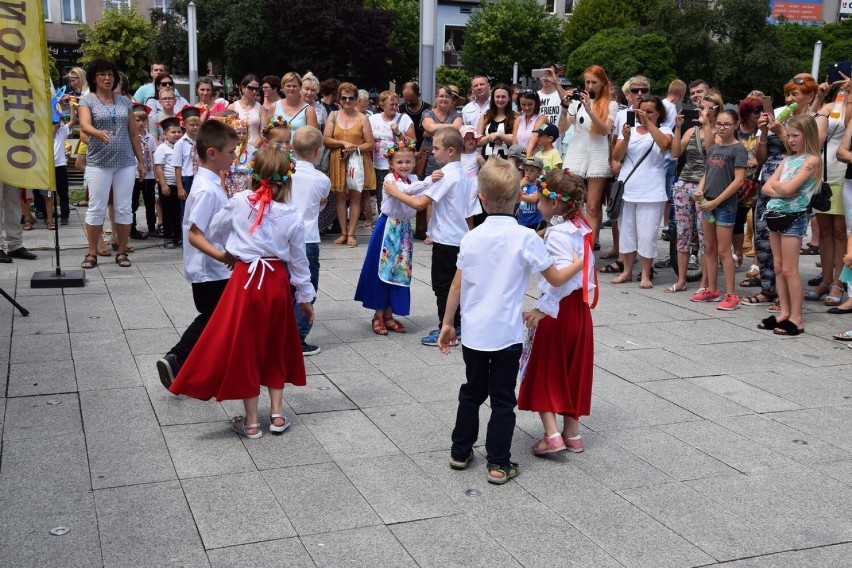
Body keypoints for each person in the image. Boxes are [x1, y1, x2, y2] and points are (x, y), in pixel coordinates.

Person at [435, 158, 579, 484]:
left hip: (473, 332)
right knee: (503, 399)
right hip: (507, 334)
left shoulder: (470, 237)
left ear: (481, 198)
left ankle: (460, 451)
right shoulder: (526, 237)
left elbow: (456, 284)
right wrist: (578, 264)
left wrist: (447, 323)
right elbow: (556, 278)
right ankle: (499, 463)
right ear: (518, 198)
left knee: (471, 391)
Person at [168, 146, 314, 439]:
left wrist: (233, 249)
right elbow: (299, 261)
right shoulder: (292, 215)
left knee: (247, 349)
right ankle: (276, 414)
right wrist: (305, 297)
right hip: (275, 282)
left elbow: (213, 231)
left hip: (245, 281)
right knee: (275, 346)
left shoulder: (237, 203)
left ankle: (250, 422)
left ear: (252, 176)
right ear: (286, 181)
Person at [156, 120, 239, 388]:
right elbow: (194, 234)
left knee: (216, 319)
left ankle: (190, 365)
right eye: (230, 151)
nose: (234, 155)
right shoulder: (206, 189)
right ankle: (178, 359)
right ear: (212, 153)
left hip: (212, 267)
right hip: (210, 269)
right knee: (213, 318)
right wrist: (223, 257)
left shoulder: (210, 183)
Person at [518, 169, 596, 455]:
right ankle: (572, 433)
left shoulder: (557, 234)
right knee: (573, 366)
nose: (537, 202)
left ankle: (552, 435)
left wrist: (542, 309)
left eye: (540, 198)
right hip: (579, 310)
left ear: (553, 204)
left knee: (545, 369)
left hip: (558, 310)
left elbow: (560, 279)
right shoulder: (582, 227)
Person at [383, 128, 470, 346]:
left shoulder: (448, 175)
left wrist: (395, 193)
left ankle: (447, 328)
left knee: (442, 286)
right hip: (459, 237)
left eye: (437, 148)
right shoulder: (464, 174)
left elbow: (420, 203)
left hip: (446, 239)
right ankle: (456, 324)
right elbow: (470, 214)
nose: (433, 152)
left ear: (450, 151)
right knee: (455, 284)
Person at [355, 140, 431, 334]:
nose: (404, 165)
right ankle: (378, 315)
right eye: (400, 162)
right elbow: (407, 192)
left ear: (414, 163)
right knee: (383, 269)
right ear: (391, 164)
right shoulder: (391, 180)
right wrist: (430, 181)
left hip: (403, 229)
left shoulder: (413, 179)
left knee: (398, 270)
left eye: (408, 161)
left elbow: (415, 189)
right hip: (388, 227)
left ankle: (389, 315)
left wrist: (426, 182)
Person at [77, 58, 145, 270]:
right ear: (94, 78)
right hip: (99, 162)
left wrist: (141, 161)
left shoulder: (125, 102)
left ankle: (122, 251)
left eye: (110, 74)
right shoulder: (87, 101)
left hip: (125, 162)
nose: (107, 78)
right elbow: (85, 125)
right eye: (102, 74)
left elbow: (134, 133)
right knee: (96, 208)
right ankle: (91, 252)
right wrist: (97, 132)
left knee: (124, 208)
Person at [757, 114, 820, 336]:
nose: (791, 140)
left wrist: (781, 188)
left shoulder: (812, 160)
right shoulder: (787, 159)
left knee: (790, 269)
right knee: (778, 266)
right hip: (774, 212)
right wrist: (782, 189)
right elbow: (767, 187)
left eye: (796, 136)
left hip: (794, 215)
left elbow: (786, 187)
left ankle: (797, 317)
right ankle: (784, 312)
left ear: (807, 135)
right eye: (789, 135)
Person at [610, 96, 673, 288]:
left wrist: (648, 124)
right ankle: (627, 271)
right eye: (641, 110)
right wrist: (626, 138)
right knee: (627, 233)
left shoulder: (664, 130)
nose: (644, 114)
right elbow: (617, 156)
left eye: (649, 111)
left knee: (647, 234)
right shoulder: (630, 130)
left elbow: (665, 145)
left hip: (651, 190)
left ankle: (646, 273)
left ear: (659, 113)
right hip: (627, 188)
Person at [690, 109, 747, 309]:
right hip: (708, 203)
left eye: (727, 124)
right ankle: (712, 288)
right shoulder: (714, 148)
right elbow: (707, 173)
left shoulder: (738, 149)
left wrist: (717, 201)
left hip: (724, 205)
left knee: (724, 250)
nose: (722, 128)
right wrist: (699, 190)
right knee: (710, 248)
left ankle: (731, 294)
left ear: (736, 125)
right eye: (719, 124)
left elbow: (738, 180)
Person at [805, 74, 851, 308]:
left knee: (841, 231)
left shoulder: (847, 108)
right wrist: (820, 98)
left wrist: (850, 97)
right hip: (823, 174)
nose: (844, 83)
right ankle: (825, 279)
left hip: (844, 173)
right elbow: (811, 129)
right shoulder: (829, 106)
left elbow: (847, 125)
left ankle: (838, 282)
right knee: (824, 230)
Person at [665, 98, 717, 293]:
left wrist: (707, 126)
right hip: (684, 183)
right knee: (683, 233)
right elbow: (676, 152)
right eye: (701, 108)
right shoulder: (690, 131)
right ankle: (681, 279)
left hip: (705, 188)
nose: (702, 111)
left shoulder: (719, 132)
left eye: (707, 108)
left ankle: (705, 281)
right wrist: (678, 128)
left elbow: (712, 154)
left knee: (704, 236)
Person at [562, 66, 618, 246]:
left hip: (598, 152)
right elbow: (562, 128)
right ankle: (574, 241)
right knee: (573, 202)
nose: (590, 86)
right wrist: (565, 106)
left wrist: (590, 110)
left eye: (594, 82)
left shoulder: (611, 104)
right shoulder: (576, 102)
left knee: (593, 206)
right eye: (587, 82)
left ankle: (590, 247)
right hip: (576, 151)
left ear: (603, 83)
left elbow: (604, 131)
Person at [290, 126, 331, 356]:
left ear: (293, 148)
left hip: (284, 237)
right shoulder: (322, 179)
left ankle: (283, 332)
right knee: (307, 286)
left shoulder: (285, 173)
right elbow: (322, 203)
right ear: (318, 152)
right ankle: (298, 336)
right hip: (307, 238)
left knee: (287, 284)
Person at [323, 82, 376, 248]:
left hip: (357, 161)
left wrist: (353, 148)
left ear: (356, 99)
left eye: (351, 98)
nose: (347, 101)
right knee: (339, 197)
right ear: (339, 99)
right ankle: (343, 233)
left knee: (355, 196)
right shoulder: (333, 115)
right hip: (337, 159)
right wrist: (343, 142)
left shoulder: (362, 118)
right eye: (344, 98)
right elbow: (325, 139)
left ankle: (352, 233)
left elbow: (370, 143)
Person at [370, 90, 416, 214]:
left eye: (396, 104)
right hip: (378, 164)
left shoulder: (404, 118)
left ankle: (397, 221)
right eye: (392, 104)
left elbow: (413, 142)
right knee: (382, 197)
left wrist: (399, 133)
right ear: (382, 104)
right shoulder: (372, 119)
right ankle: (383, 222)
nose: (395, 107)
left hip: (398, 165)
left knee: (398, 196)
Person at [154, 117, 185, 249]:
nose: (177, 134)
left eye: (179, 132)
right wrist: (163, 185)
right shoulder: (162, 148)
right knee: (168, 212)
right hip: (168, 184)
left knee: (178, 212)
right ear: (165, 134)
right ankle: (168, 237)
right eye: (173, 132)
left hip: (180, 185)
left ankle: (178, 236)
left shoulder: (182, 146)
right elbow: (158, 167)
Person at [131, 103, 158, 239]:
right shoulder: (130, 137)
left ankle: (152, 228)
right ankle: (132, 229)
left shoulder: (150, 138)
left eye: (143, 120)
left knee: (149, 202)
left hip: (149, 175)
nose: (141, 123)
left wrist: (156, 174)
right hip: (134, 175)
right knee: (133, 203)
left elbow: (153, 155)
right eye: (137, 120)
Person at [476, 83, 515, 160]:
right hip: (487, 163)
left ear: (509, 98)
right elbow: (477, 142)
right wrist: (490, 137)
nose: (500, 100)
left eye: (503, 97)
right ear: (493, 98)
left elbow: (516, 141)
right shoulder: (485, 116)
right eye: (497, 97)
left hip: (507, 164)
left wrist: (500, 135)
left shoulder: (515, 117)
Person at [228, 75, 268, 147]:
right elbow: (228, 132)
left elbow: (264, 132)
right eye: (250, 88)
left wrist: (253, 147)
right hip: (236, 148)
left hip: (256, 148)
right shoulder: (232, 107)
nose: (254, 91)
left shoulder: (261, 108)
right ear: (243, 88)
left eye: (257, 89)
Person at [173, 107, 202, 200]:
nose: (195, 127)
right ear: (184, 125)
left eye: (198, 124)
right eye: (192, 125)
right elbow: (177, 167)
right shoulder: (180, 144)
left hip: (201, 177)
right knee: (186, 208)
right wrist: (180, 188)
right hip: (187, 178)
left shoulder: (203, 141)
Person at [224, 118, 256, 198]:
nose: (241, 135)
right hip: (231, 180)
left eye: (244, 133)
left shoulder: (251, 149)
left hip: (246, 180)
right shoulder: (228, 148)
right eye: (238, 133)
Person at [513, 89, 548, 159]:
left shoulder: (542, 119)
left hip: (536, 161)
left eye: (530, 104)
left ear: (536, 103)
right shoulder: (518, 120)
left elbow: (532, 145)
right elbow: (515, 145)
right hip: (521, 160)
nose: (526, 108)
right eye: (523, 104)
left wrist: (525, 164)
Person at [518, 157, 545, 230]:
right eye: (526, 170)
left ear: (539, 173)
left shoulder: (538, 185)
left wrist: (519, 195)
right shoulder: (523, 184)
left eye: (532, 171)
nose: (528, 173)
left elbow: (534, 199)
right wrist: (519, 186)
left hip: (535, 221)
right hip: (522, 221)